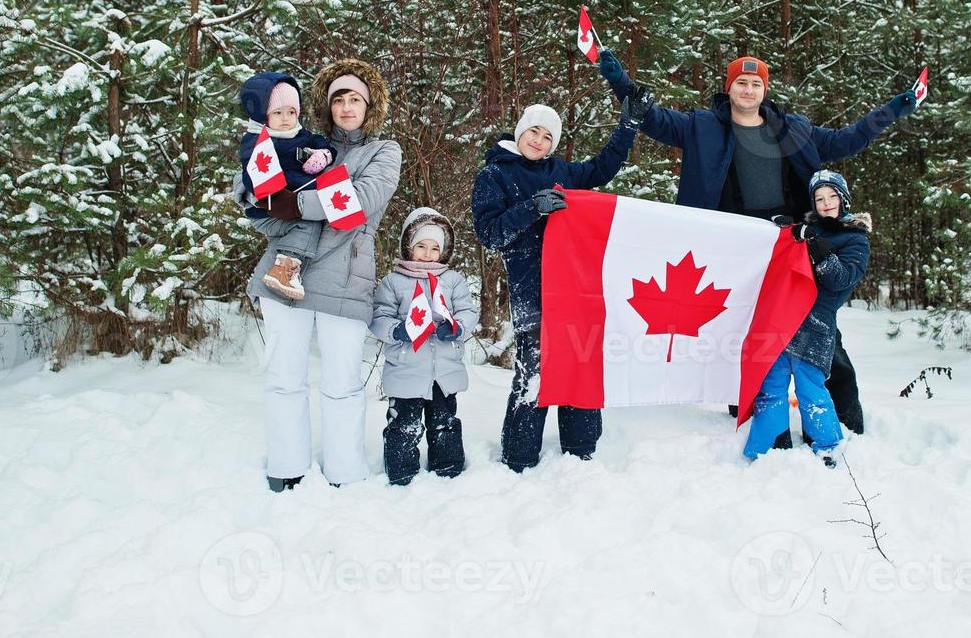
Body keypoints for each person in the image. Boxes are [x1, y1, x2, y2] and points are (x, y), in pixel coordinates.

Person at [597, 51, 915, 436]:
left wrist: (892, 110)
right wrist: (621, 83)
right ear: (729, 87)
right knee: (741, 324)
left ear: (765, 89)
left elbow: (848, 139)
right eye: (741, 82)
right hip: (732, 248)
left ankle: (846, 413)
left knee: (814, 319)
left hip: (790, 243)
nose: (748, 89)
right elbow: (654, 119)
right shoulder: (701, 126)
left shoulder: (793, 130)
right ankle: (747, 408)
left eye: (756, 83)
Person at [233, 58, 401, 491]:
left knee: (343, 383)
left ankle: (345, 472)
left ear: (370, 105)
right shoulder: (302, 144)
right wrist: (255, 195)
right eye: (338, 99)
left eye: (355, 99)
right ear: (327, 107)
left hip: (346, 280)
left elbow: (359, 202)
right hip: (286, 273)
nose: (346, 107)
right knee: (284, 378)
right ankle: (287, 467)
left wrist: (296, 204)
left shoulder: (383, 152)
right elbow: (262, 196)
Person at [472, 95, 650, 471]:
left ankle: (581, 447)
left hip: (573, 287)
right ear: (520, 132)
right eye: (533, 132)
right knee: (533, 371)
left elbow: (602, 168)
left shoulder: (562, 172)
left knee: (578, 361)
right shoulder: (494, 175)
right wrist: (532, 207)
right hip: (531, 288)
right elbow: (490, 233)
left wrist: (628, 127)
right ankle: (520, 456)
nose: (539, 141)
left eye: (547, 137)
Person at [746, 170, 871, 465]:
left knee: (810, 388)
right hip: (783, 318)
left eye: (831, 196)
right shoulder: (806, 230)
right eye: (819, 198)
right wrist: (780, 233)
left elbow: (840, 280)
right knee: (771, 384)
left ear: (843, 199)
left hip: (816, 324)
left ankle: (827, 445)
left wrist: (820, 251)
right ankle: (769, 446)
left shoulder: (855, 239)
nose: (825, 203)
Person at [370, 208, 479, 486]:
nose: (428, 254)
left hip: (443, 370)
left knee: (444, 422)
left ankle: (448, 468)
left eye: (434, 248)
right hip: (406, 367)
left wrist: (457, 327)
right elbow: (379, 317)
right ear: (409, 246)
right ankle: (401, 471)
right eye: (421, 246)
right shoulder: (393, 282)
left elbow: (468, 311)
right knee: (404, 424)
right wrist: (398, 330)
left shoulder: (451, 281)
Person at [236, 71, 335, 301]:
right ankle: (284, 269)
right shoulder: (257, 141)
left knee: (308, 223)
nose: (285, 118)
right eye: (277, 113)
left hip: (295, 201)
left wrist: (323, 155)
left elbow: (321, 142)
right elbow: (250, 174)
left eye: (291, 112)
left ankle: (287, 267)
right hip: (267, 210)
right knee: (307, 226)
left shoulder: (299, 133)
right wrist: (266, 193)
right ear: (263, 115)